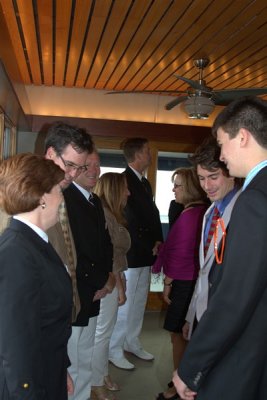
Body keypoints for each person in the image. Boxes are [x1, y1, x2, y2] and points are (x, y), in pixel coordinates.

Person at [173, 96, 267, 400]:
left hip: (246, 350)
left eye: (222, 142)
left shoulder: (254, 200)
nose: (222, 155)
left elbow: (236, 295)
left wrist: (191, 367)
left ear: (242, 137)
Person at [0, 153, 72, 399]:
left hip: (48, 369)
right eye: (58, 190)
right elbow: (14, 341)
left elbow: (47, 324)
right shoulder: (16, 253)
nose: (62, 198)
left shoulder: (35, 242)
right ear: (43, 198)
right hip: (30, 384)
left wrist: (63, 369)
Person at [64, 149, 115, 400]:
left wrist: (108, 279)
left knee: (85, 354)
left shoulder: (94, 201)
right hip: (76, 292)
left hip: (96, 290)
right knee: (71, 359)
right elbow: (73, 251)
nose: (95, 171)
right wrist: (99, 281)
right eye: (88, 165)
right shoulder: (65, 199)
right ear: (76, 169)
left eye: (98, 165)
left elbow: (106, 244)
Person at [152, 167, 207, 400]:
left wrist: (167, 283)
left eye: (178, 185)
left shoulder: (189, 215)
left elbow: (180, 253)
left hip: (184, 282)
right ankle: (182, 376)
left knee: (178, 335)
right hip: (191, 280)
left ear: (191, 188)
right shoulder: (199, 211)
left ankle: (178, 387)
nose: (173, 189)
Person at [109, 137, 163, 370]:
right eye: (147, 151)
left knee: (139, 301)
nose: (150, 155)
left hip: (146, 253)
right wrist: (146, 245)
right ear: (138, 154)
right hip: (132, 253)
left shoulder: (145, 183)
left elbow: (151, 214)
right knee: (126, 304)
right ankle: (115, 348)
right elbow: (128, 220)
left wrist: (159, 240)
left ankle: (132, 341)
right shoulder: (123, 180)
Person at [182, 136, 241, 341]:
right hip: (205, 313)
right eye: (201, 178)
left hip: (230, 321)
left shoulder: (245, 212)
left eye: (213, 176)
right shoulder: (210, 213)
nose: (206, 185)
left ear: (231, 174)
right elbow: (204, 273)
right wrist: (192, 316)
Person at [91, 172, 131, 400]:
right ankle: (96, 382)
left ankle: (102, 374)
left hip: (114, 278)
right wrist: (121, 287)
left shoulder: (111, 214)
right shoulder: (105, 215)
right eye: (124, 188)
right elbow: (111, 255)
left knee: (105, 331)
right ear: (115, 190)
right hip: (109, 281)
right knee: (102, 333)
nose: (128, 192)